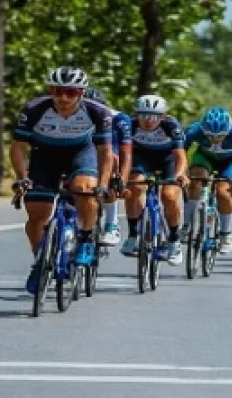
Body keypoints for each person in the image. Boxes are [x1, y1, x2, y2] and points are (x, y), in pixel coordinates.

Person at [10, 66, 115, 294]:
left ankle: (86, 239)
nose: (63, 98)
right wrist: (22, 178)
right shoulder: (34, 109)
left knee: (85, 189)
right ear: (51, 90)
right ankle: (40, 261)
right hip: (45, 155)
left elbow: (106, 152)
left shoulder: (98, 111)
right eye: (57, 92)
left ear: (82, 94)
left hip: (81, 152)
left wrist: (104, 184)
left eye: (71, 93)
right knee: (37, 212)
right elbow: (18, 147)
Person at [120, 95, 188, 265]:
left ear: (163, 117)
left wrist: (180, 174)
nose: (149, 121)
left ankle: (173, 240)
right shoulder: (130, 124)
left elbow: (180, 157)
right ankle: (133, 235)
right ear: (136, 115)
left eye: (154, 116)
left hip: (167, 160)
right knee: (135, 187)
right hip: (141, 158)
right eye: (144, 116)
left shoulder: (171, 126)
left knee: (170, 196)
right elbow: (123, 152)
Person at [183, 107, 232, 254]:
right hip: (205, 158)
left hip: (229, 162)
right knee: (196, 182)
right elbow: (181, 151)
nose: (215, 139)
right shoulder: (194, 130)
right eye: (210, 135)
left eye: (220, 136)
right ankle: (186, 225)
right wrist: (184, 172)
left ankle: (226, 234)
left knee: (223, 193)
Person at [84, 87, 132, 246]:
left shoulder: (119, 119)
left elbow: (126, 153)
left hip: (112, 149)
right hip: (85, 149)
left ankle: (112, 224)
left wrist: (122, 180)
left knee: (111, 162)